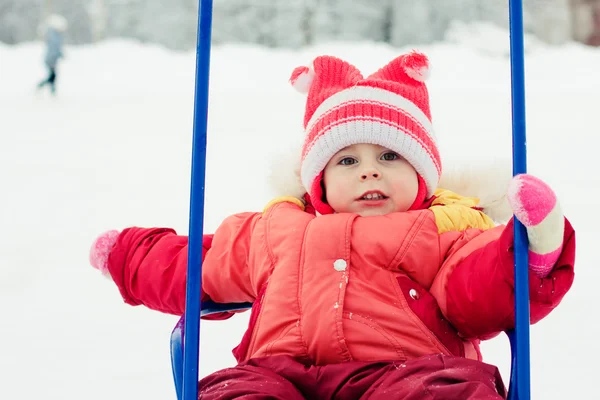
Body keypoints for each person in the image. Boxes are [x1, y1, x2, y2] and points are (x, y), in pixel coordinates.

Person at [89, 51, 575, 399]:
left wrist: (531, 249)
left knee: (446, 392)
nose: (370, 170)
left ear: (422, 174)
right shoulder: (273, 229)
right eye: (346, 161)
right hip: (277, 374)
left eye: (389, 156)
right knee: (237, 392)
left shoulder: (446, 227)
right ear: (317, 181)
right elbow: (195, 264)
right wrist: (129, 256)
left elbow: (480, 286)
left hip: (406, 372)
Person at [37, 14, 68, 95]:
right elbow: (54, 48)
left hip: (52, 59)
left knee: (53, 75)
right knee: (53, 75)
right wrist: (58, 54)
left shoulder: (55, 35)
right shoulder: (54, 35)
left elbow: (56, 48)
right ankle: (42, 86)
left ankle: (51, 89)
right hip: (51, 59)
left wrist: (60, 54)